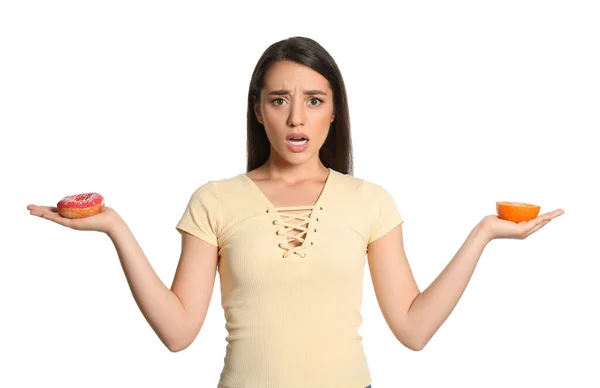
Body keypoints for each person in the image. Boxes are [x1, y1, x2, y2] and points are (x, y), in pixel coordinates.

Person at [26, 36, 564, 388]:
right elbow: (178, 332)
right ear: (258, 112)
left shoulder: (370, 201)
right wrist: (116, 229)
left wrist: (483, 235)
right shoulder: (214, 199)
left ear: (334, 111)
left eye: (314, 99)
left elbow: (413, 329)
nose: (296, 116)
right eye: (279, 100)